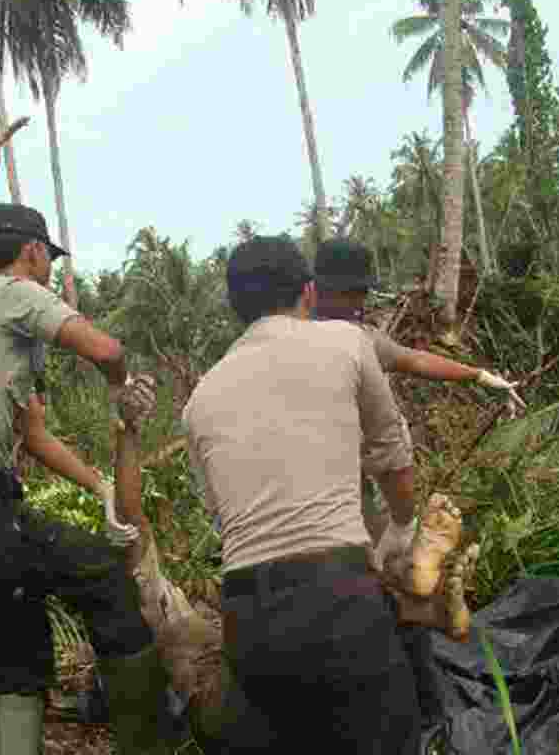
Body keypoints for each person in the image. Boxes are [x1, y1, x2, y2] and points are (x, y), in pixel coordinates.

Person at [0, 203, 173, 755]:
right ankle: (148, 744)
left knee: (20, 662)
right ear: (32, 251)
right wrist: (121, 389)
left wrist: (100, 487)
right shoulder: (13, 293)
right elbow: (108, 350)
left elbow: (34, 437)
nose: (49, 267)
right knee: (105, 577)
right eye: (47, 257)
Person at [182, 234, 425, 754]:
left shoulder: (200, 398)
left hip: (246, 617)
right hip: (337, 599)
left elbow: (222, 517)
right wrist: (402, 525)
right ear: (309, 293)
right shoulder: (347, 343)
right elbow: (390, 451)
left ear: (235, 308)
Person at [311, 238, 524, 539]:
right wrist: (403, 522)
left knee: (374, 540)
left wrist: (480, 376)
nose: (360, 302)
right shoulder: (332, 340)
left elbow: (414, 360)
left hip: (351, 480)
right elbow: (387, 445)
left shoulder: (358, 337)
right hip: (321, 485)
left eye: (362, 293)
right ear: (320, 290)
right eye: (353, 293)